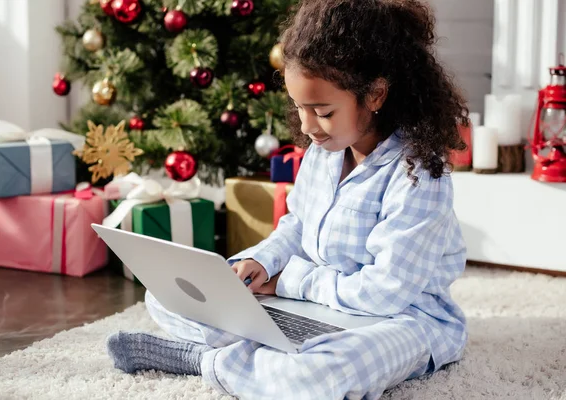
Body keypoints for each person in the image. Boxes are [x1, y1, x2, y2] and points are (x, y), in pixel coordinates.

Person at [106, 0, 470, 398]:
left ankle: (203, 360)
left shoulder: (419, 174)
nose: (307, 126)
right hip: (312, 306)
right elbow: (296, 225)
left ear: (376, 95)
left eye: (323, 111)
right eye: (299, 108)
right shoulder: (324, 152)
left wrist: (289, 282)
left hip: (401, 318)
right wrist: (262, 262)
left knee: (327, 374)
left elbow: (384, 293)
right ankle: (264, 355)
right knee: (169, 294)